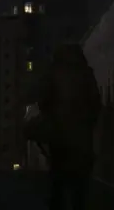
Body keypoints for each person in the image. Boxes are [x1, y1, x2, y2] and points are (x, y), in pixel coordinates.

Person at [38, 43, 102, 210]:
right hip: (81, 139)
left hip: (60, 137)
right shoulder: (86, 74)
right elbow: (96, 105)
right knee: (79, 190)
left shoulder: (53, 74)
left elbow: (43, 102)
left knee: (58, 185)